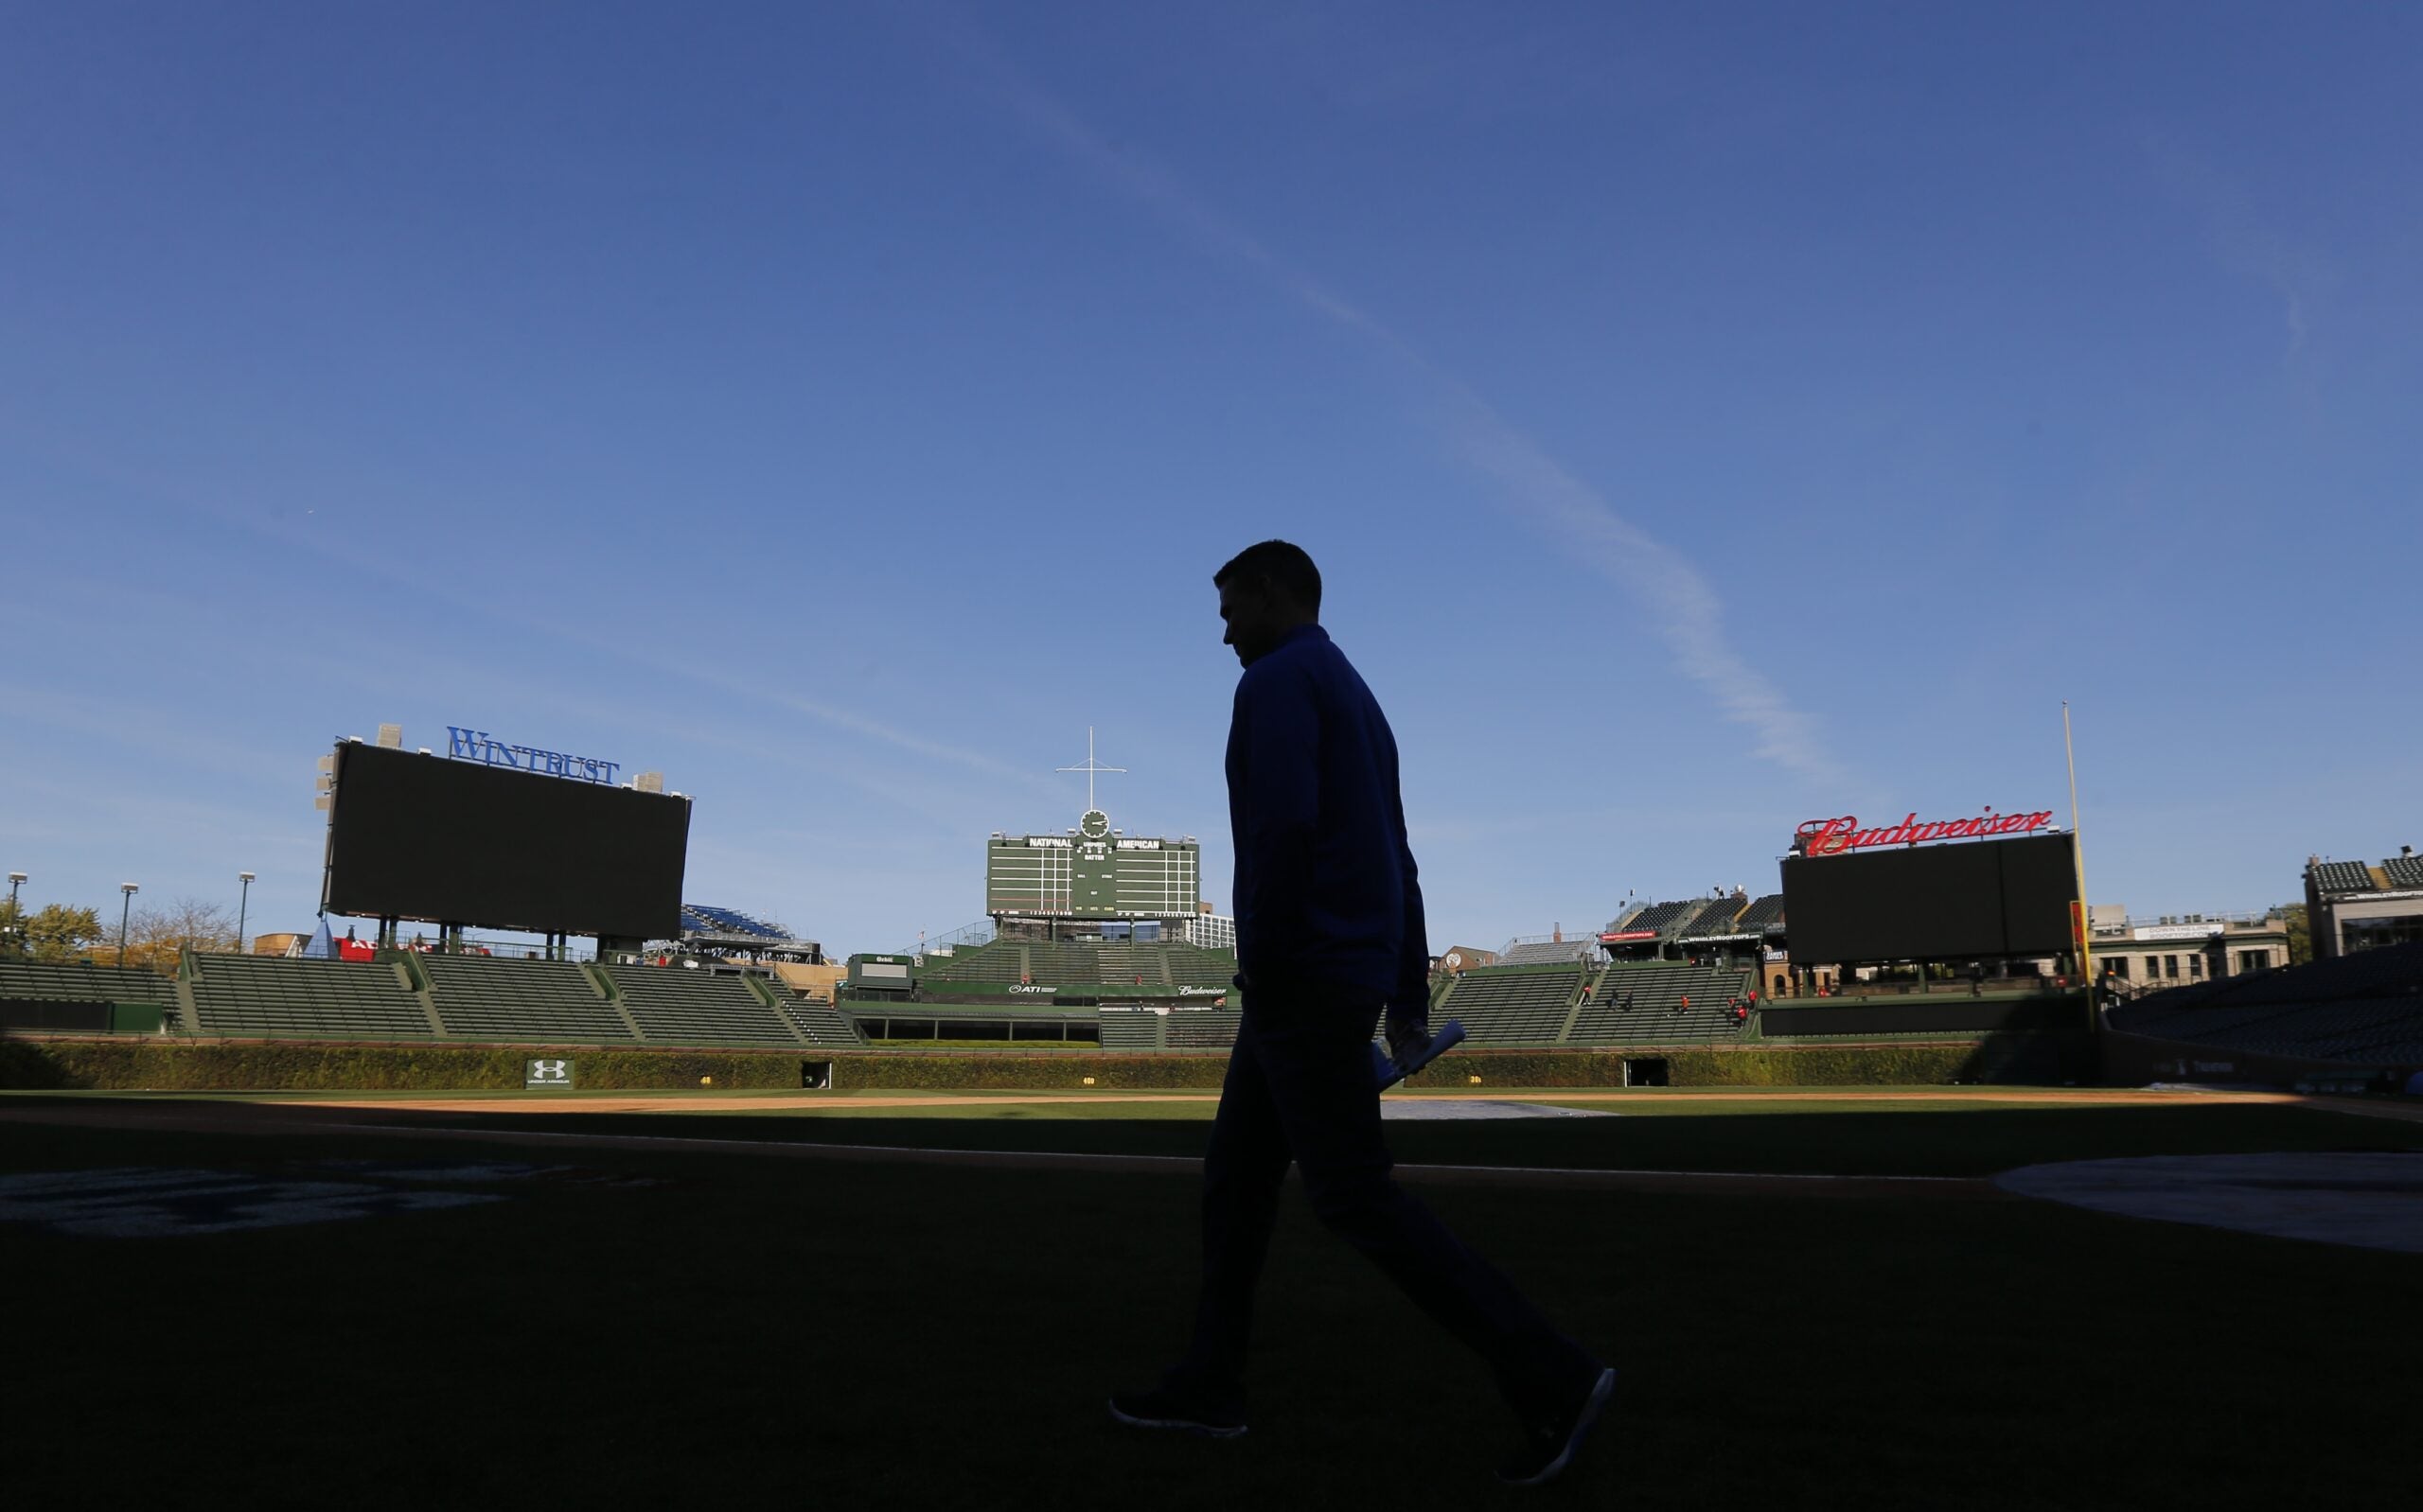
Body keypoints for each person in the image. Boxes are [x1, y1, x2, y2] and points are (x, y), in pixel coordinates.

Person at [1110, 541, 1613, 1487]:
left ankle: (1554, 1372)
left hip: (1298, 975)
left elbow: (1283, 830)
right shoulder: (1353, 690)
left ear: (1269, 592)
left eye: (1227, 608)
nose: (1221, 629)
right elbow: (1401, 858)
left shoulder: (1274, 681)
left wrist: (1266, 959)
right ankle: (1209, 1381)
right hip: (1328, 974)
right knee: (1236, 1183)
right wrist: (1407, 1002)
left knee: (1352, 1194)